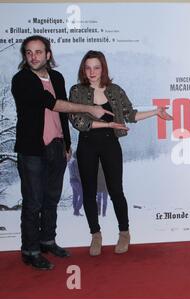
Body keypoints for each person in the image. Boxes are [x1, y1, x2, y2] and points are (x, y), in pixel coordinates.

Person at [11, 35, 116, 270]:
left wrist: (67, 144)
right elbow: (54, 104)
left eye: (39, 52)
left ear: (48, 55)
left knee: (52, 198)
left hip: (57, 147)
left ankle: (48, 240)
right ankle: (30, 250)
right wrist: (90, 108)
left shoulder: (57, 77)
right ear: (25, 56)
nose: (33, 56)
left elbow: (63, 117)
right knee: (33, 202)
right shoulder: (22, 80)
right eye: (29, 52)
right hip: (32, 150)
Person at [69, 50, 172, 256]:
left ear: (103, 68)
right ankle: (95, 235)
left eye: (96, 67)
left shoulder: (115, 90)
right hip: (87, 145)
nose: (92, 72)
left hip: (110, 144)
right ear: (83, 69)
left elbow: (130, 114)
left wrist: (155, 112)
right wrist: (106, 124)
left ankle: (124, 233)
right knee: (88, 192)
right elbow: (77, 121)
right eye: (88, 67)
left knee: (116, 190)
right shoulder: (77, 91)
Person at [68, 152, 83, 216]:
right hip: (76, 181)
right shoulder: (76, 162)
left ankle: (75, 211)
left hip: (72, 181)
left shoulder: (71, 162)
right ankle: (77, 210)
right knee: (82, 195)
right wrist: (81, 181)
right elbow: (77, 173)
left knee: (75, 195)